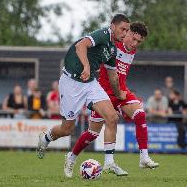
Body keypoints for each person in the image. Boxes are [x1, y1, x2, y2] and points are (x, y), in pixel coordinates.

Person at [36, 14, 130, 177]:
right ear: (112, 26)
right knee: (67, 129)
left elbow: (113, 76)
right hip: (71, 84)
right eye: (122, 29)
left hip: (91, 84)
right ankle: (46, 137)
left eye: (127, 30)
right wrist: (86, 67)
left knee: (112, 117)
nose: (125, 33)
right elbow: (80, 46)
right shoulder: (102, 35)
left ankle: (109, 163)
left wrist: (119, 94)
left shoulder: (112, 49)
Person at [63, 21, 159, 177]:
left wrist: (121, 92)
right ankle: (71, 157)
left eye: (139, 42)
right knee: (92, 134)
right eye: (133, 39)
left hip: (121, 91)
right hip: (103, 94)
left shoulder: (132, 51)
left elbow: (119, 75)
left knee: (140, 114)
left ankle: (143, 157)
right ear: (126, 32)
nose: (135, 44)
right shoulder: (111, 46)